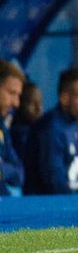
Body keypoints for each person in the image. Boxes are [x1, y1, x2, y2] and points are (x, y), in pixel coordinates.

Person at [22, 68, 78, 195]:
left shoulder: (74, 124)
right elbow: (55, 185)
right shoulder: (50, 129)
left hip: (73, 202)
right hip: (46, 209)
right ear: (64, 98)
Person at [0, 61, 24, 195]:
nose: (16, 103)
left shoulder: (1, 126)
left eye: (18, 95)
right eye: (11, 93)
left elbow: (19, 172)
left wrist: (3, 171)